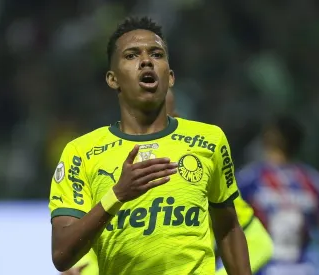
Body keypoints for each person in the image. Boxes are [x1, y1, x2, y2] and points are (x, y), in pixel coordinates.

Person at [49, 17, 252, 275]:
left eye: (156, 54)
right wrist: (118, 195)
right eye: (132, 55)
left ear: (170, 76)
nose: (146, 61)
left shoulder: (209, 140)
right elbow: (61, 254)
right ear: (113, 80)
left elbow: (228, 228)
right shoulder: (81, 152)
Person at [237, 115, 319, 275]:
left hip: (263, 269)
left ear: (269, 138)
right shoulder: (314, 183)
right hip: (302, 269)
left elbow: (229, 231)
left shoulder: (250, 180)